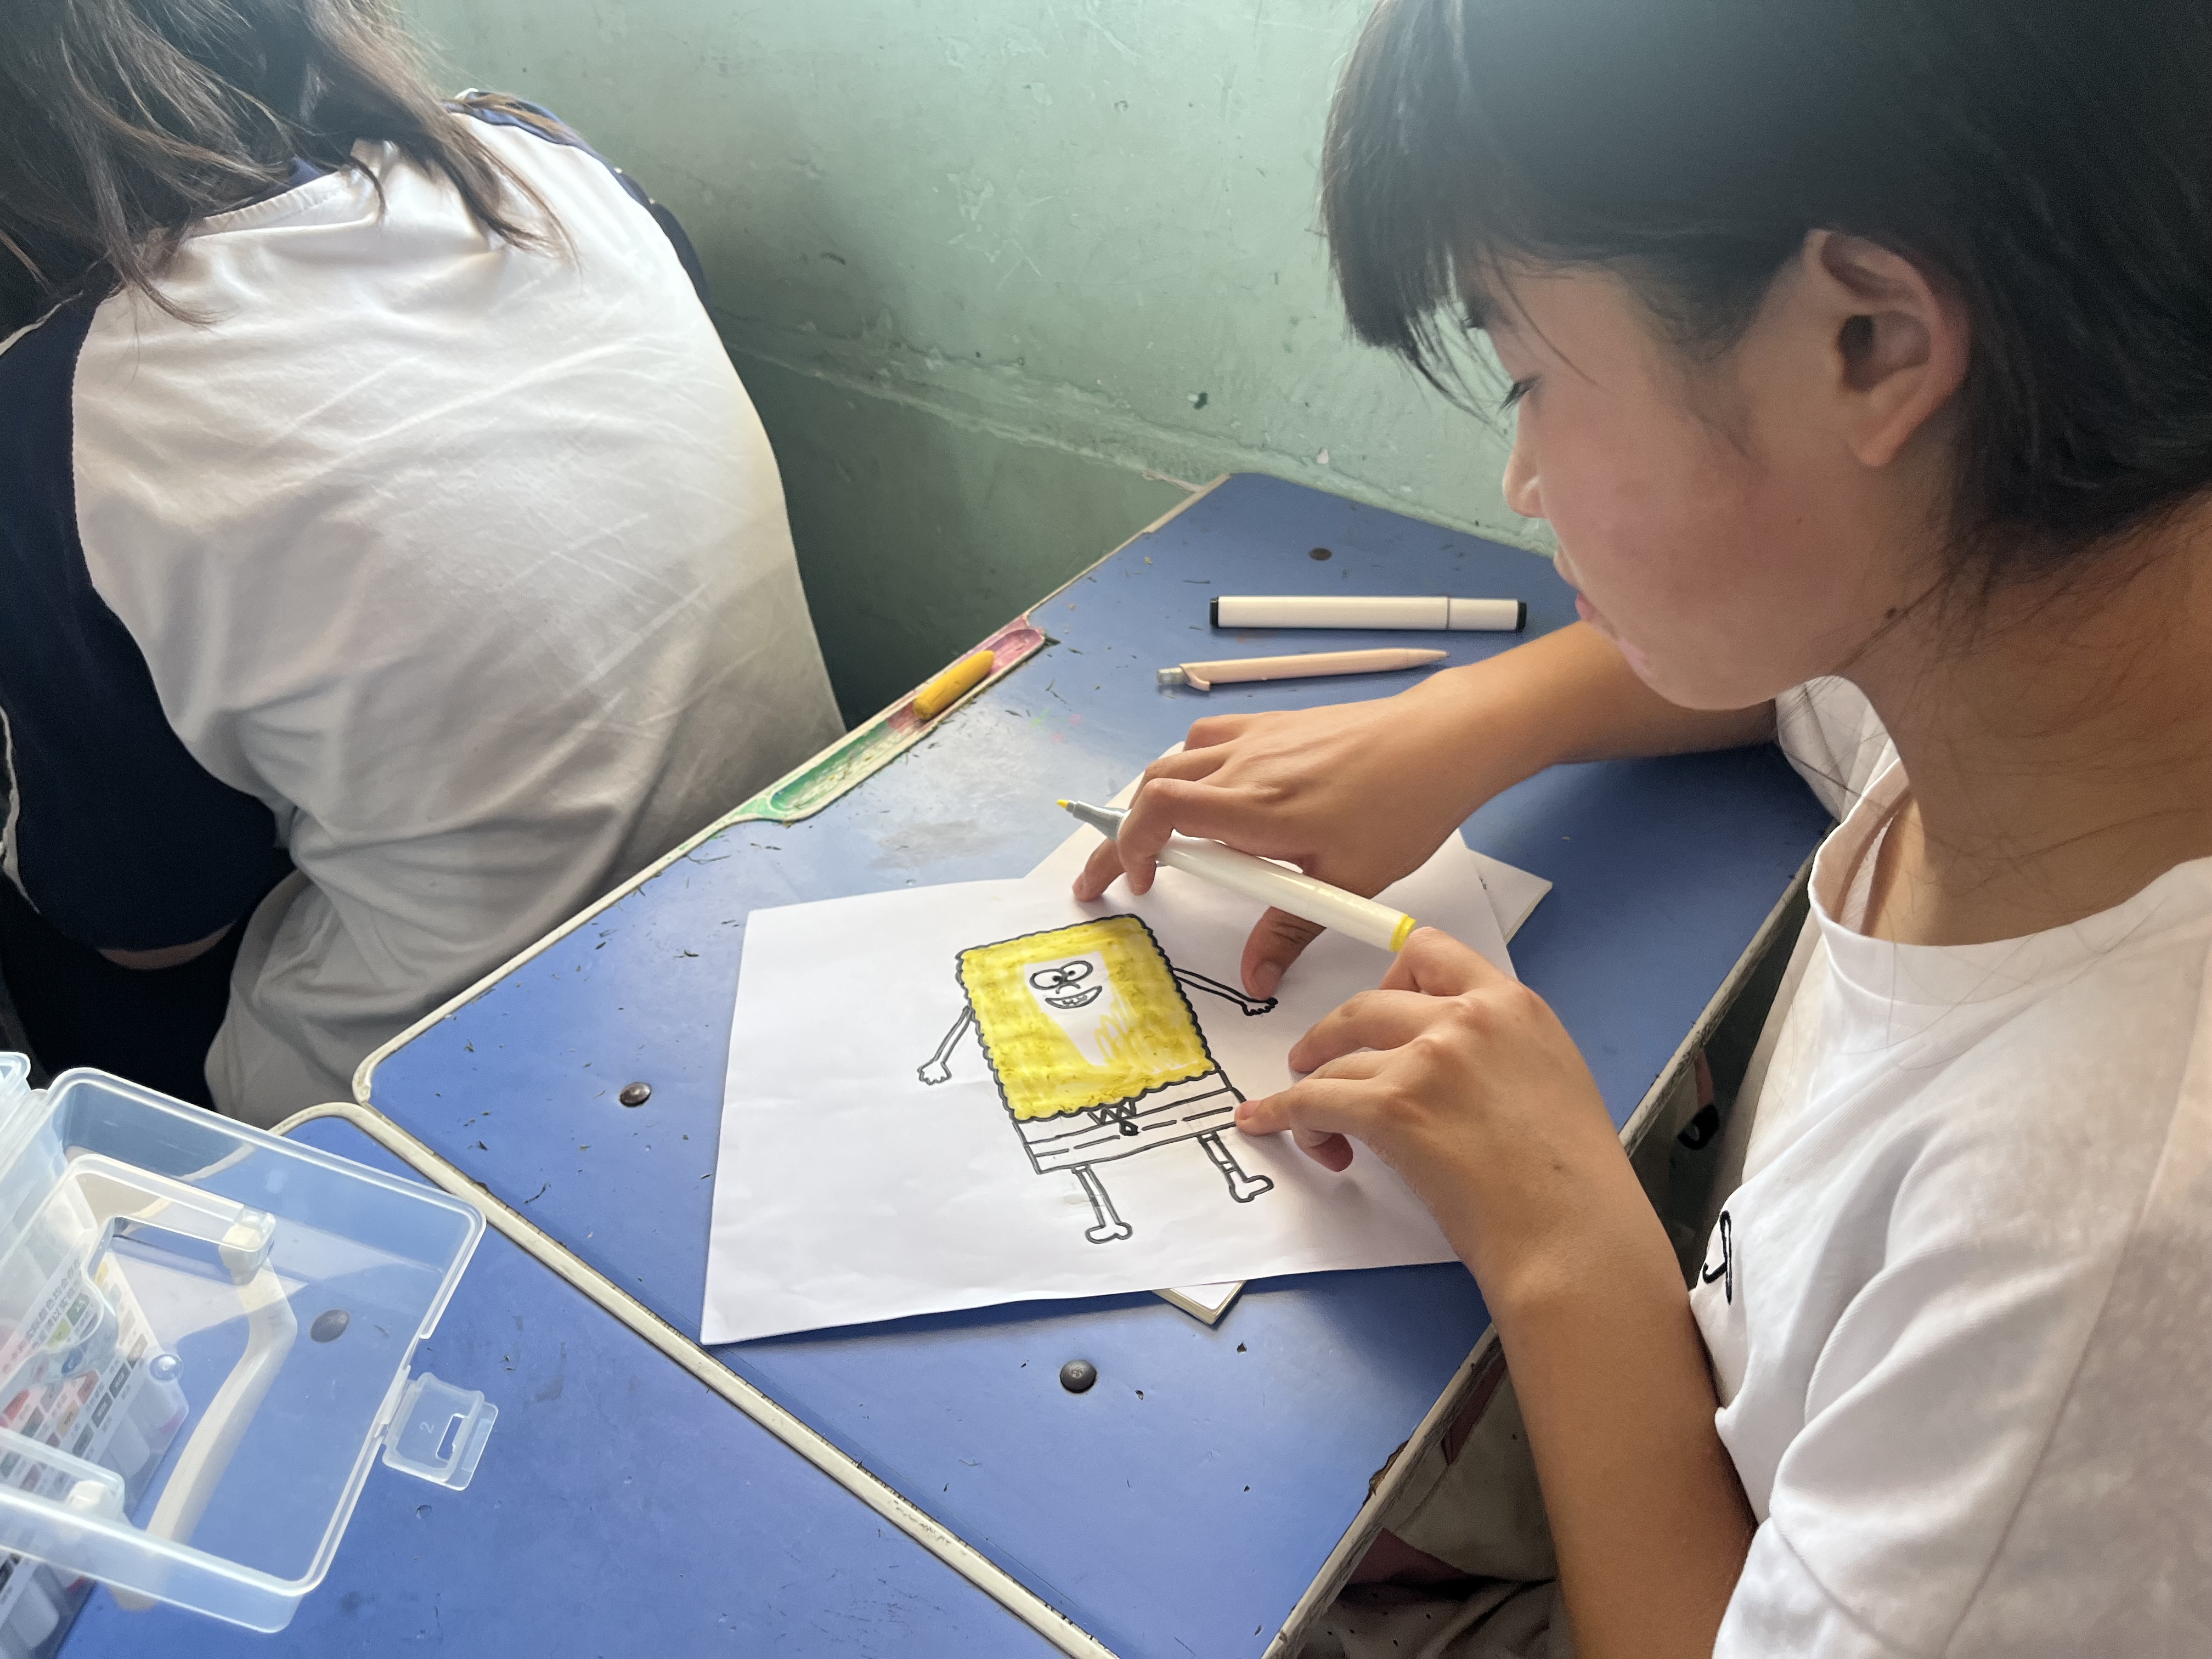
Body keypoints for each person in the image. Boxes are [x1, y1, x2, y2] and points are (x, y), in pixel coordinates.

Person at [1077, 2, 2212, 1654]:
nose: (1522, 481)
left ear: (1869, 344)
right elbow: (1783, 676)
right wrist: (1458, 727)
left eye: (1531, 376)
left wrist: (1560, 1239)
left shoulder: (2088, 1256)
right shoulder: (2056, 658)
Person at [0, 2, 842, 1120]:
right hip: (792, 893)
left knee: (66, 897)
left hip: (453, 1094)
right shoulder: (538, 155)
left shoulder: (60, 409)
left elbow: (154, 936)